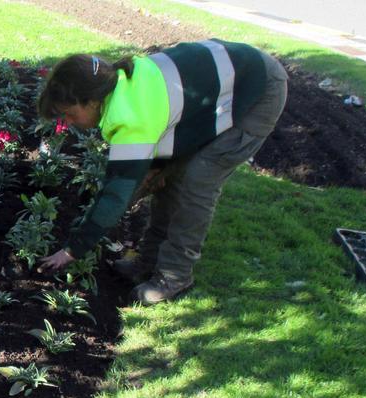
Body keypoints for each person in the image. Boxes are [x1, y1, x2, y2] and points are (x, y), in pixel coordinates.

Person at [35, 40, 288, 303]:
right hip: (220, 86)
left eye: (70, 114)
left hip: (258, 89)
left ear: (92, 101)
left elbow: (115, 195)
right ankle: (148, 262)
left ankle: (175, 276)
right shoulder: (123, 83)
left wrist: (72, 250)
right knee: (168, 180)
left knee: (197, 181)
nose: (70, 123)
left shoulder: (131, 118)